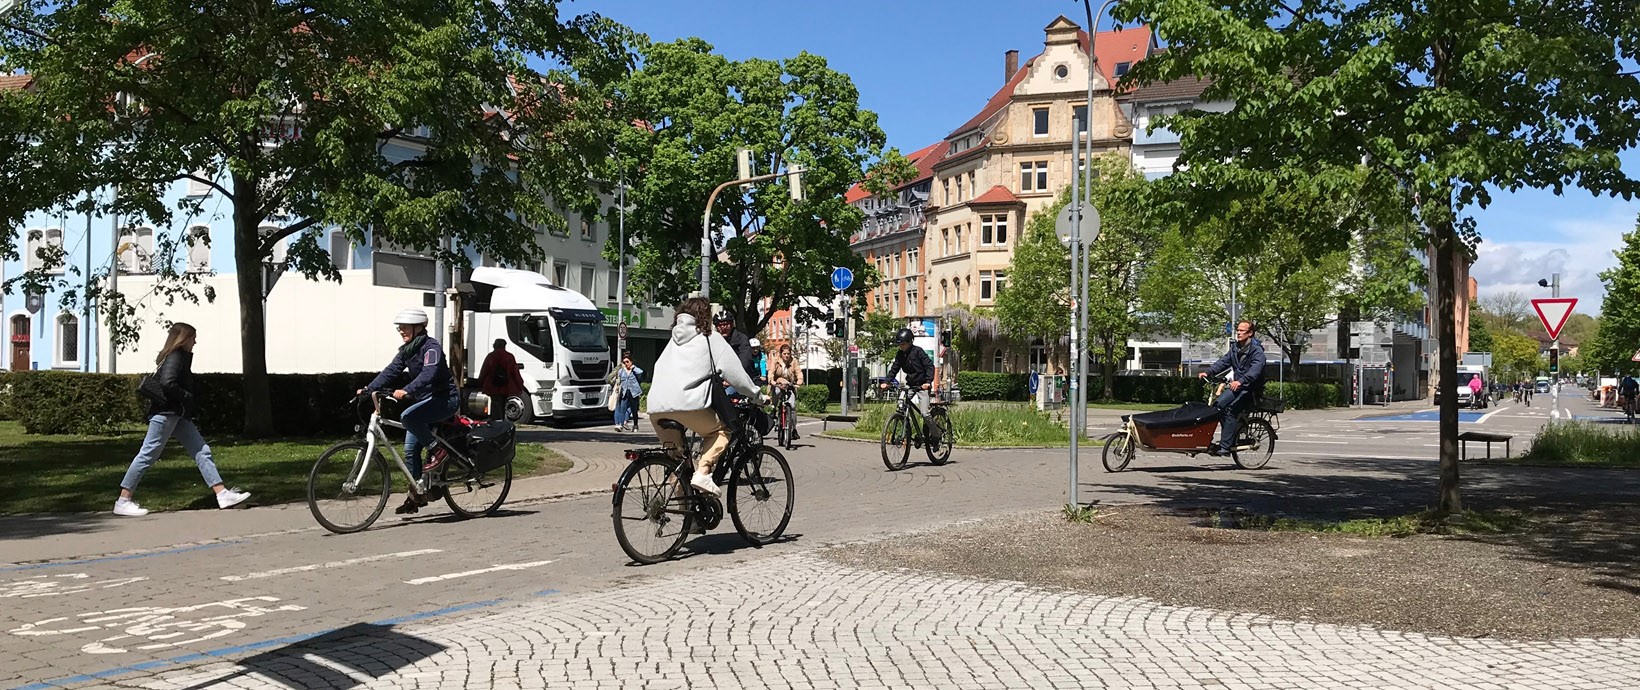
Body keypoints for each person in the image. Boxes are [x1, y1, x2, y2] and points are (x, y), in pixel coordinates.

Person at [113, 323, 250, 517]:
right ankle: (123, 500)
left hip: (177, 415)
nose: (195, 341)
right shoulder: (176, 356)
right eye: (193, 337)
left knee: (202, 451)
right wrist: (187, 396)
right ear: (184, 338)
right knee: (147, 455)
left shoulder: (175, 356)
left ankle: (222, 494)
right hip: (166, 414)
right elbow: (168, 383)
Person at [648, 297, 765, 497]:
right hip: (687, 405)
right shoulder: (710, 337)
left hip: (656, 408)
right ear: (706, 316)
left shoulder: (673, 340)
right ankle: (703, 472)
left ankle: (690, 519)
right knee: (721, 431)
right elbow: (737, 375)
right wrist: (758, 396)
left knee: (678, 462)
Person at [361, 308, 458, 514]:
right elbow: (391, 370)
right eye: (400, 328)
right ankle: (417, 494)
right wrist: (369, 388)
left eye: (405, 328)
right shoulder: (407, 350)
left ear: (418, 328)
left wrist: (407, 390)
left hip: (444, 400)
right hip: (425, 403)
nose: (401, 331)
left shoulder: (431, 348)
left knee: (408, 416)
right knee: (409, 449)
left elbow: (428, 374)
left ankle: (437, 450)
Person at [1198, 320, 1267, 456]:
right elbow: (1224, 362)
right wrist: (1209, 372)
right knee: (1217, 406)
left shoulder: (1257, 351)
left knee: (1230, 411)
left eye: (1242, 331)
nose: (1239, 333)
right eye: (1238, 330)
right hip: (1237, 387)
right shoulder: (1235, 348)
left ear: (1250, 333)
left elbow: (1255, 371)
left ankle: (1225, 447)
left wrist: (1241, 381)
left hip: (1250, 389)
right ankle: (1231, 433)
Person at [879, 328, 939, 444]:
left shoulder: (918, 352)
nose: (901, 346)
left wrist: (928, 382)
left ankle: (936, 436)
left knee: (925, 413)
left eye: (903, 344)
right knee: (901, 404)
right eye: (899, 344)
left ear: (910, 342)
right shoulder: (900, 355)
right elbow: (894, 369)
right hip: (910, 385)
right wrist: (886, 382)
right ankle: (905, 425)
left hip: (922, 385)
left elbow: (929, 366)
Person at [477, 338, 526, 421]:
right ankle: (501, 421)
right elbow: (515, 372)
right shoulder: (509, 357)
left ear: (495, 345)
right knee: (503, 404)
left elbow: (484, 370)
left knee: (495, 404)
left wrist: (480, 382)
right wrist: (520, 384)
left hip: (493, 385)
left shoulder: (491, 356)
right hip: (505, 386)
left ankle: (495, 422)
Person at [768, 344, 804, 447]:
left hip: (789, 385)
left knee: (792, 406)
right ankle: (774, 408)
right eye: (784, 354)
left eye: (788, 353)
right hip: (778, 384)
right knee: (777, 393)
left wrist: (799, 381)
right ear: (781, 354)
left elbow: (799, 373)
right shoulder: (776, 361)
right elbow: (771, 372)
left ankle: (793, 429)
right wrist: (772, 381)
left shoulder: (794, 361)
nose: (787, 356)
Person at [712, 311, 759, 389]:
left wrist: (732, 379)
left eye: (726, 324)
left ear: (732, 324)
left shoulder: (742, 339)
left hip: (741, 381)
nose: (723, 327)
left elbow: (745, 361)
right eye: (720, 325)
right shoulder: (713, 341)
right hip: (719, 382)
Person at [613, 352, 644, 432]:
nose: (626, 364)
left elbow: (641, 372)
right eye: (624, 362)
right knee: (622, 409)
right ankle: (620, 424)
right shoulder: (622, 371)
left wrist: (633, 368)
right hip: (624, 392)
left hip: (634, 392)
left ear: (631, 362)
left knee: (634, 410)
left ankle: (635, 425)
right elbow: (617, 378)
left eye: (627, 362)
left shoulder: (635, 370)